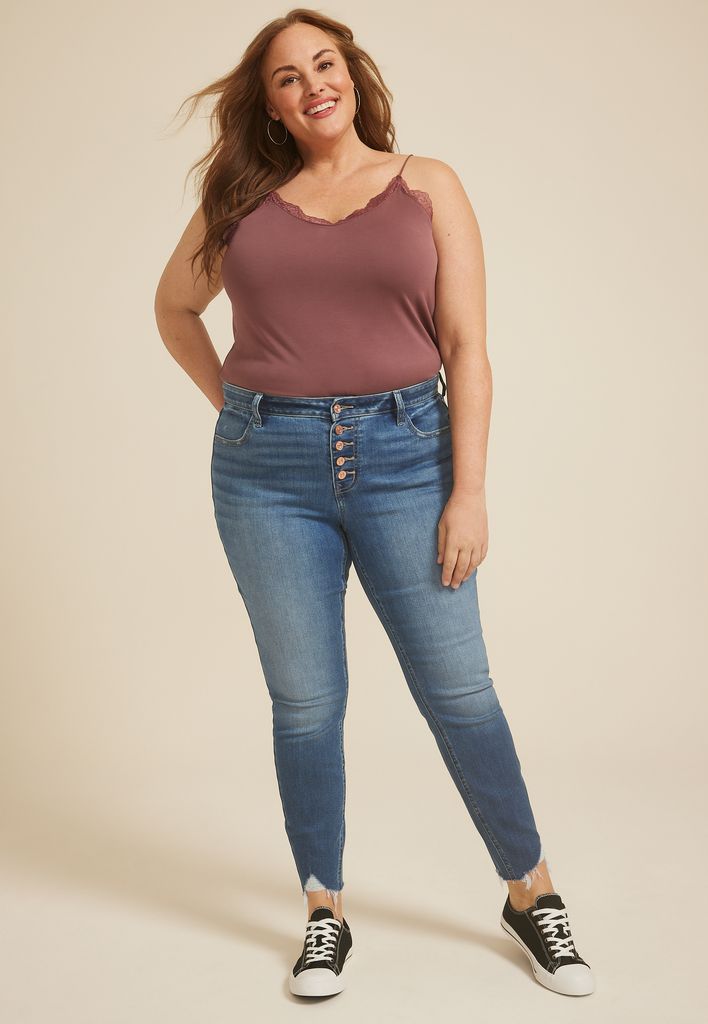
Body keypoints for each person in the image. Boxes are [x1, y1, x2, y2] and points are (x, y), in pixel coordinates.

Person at [154, 8, 595, 1000]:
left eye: (324, 64)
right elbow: (173, 307)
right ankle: (324, 911)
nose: (311, 84)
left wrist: (468, 490)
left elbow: (468, 347)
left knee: (459, 692)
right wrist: (243, 411)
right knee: (306, 703)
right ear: (270, 105)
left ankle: (530, 893)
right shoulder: (240, 196)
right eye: (286, 77)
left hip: (408, 459)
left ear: (351, 75)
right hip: (266, 477)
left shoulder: (426, 184)